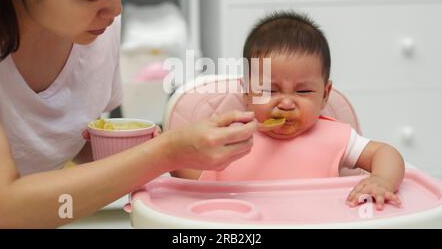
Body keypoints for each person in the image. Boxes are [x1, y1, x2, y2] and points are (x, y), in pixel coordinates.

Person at [0, 0, 257, 228]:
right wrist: (166, 152)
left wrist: (183, 153)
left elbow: (66, 140)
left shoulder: (96, 32)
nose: (116, 9)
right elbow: (2, 208)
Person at [173, 11, 405, 211]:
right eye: (270, 90)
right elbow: (192, 174)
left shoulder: (336, 137)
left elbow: (385, 153)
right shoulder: (232, 136)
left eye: (303, 92)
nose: (285, 103)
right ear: (247, 93)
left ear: (325, 94)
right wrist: (167, 151)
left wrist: (382, 180)